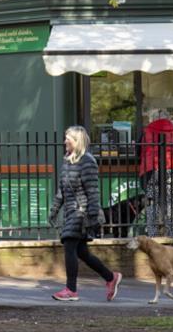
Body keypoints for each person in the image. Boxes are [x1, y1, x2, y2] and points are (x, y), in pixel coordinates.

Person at [48, 125, 122, 301]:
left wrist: (92, 215)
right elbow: (62, 189)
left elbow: (93, 191)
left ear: (77, 141)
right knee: (81, 252)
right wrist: (54, 210)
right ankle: (111, 278)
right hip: (71, 211)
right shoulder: (67, 160)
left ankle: (71, 290)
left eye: (68, 138)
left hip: (82, 213)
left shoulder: (88, 161)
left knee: (69, 243)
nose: (65, 141)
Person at [139, 109, 173, 237]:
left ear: (152, 119)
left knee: (152, 204)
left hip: (151, 171)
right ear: (168, 119)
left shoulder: (145, 132)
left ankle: (152, 236)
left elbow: (138, 151)